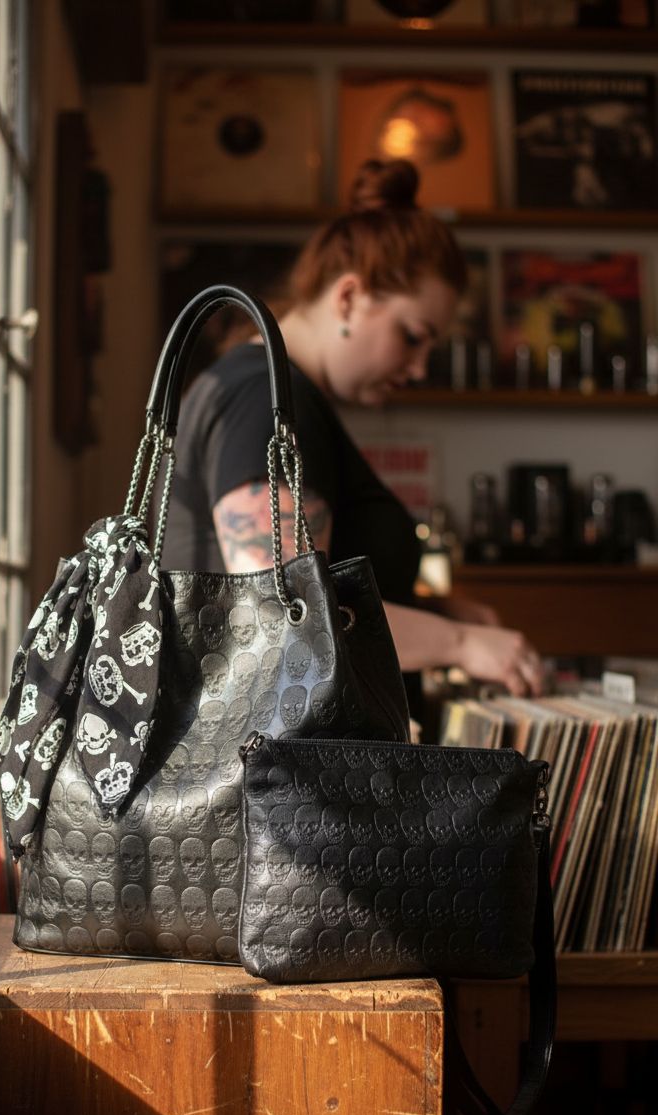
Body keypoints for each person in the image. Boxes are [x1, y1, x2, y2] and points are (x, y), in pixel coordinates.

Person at [161, 158, 545, 707]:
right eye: (413, 336)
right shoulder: (258, 395)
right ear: (348, 298)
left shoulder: (273, 394)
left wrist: (438, 612)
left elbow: (324, 587)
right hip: (264, 781)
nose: (418, 368)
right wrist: (459, 643)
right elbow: (290, 613)